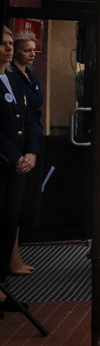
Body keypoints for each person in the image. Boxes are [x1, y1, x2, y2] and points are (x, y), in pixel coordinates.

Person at [0, 26, 42, 314]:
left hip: (19, 164)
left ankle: (3, 286)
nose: (9, 49)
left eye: (9, 43)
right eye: (3, 44)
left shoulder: (13, 79)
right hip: (4, 163)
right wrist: (14, 155)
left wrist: (32, 152)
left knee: (8, 224)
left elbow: (26, 117)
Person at [7, 31, 44, 275]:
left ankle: (14, 254)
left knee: (22, 204)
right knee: (11, 206)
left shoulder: (29, 74)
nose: (32, 54)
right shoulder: (9, 76)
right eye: (26, 50)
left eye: (33, 49)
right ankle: (11, 257)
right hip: (15, 144)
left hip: (32, 140)